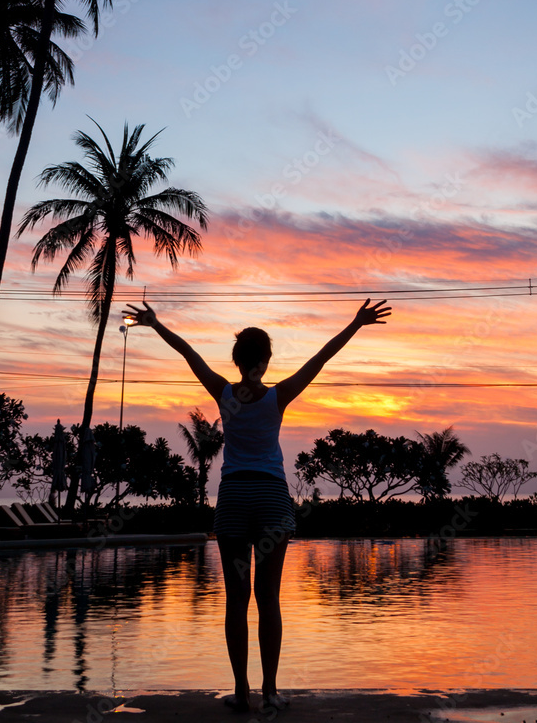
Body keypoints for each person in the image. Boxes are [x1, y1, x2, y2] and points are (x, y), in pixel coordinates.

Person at [123, 297, 391, 712]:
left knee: (237, 599)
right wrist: (355, 324)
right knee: (269, 599)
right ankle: (270, 692)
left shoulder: (224, 394)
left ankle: (242, 693)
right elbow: (320, 359)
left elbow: (189, 354)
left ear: (236, 359)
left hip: (233, 498)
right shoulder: (277, 396)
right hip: (269, 497)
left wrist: (156, 325)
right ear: (265, 361)